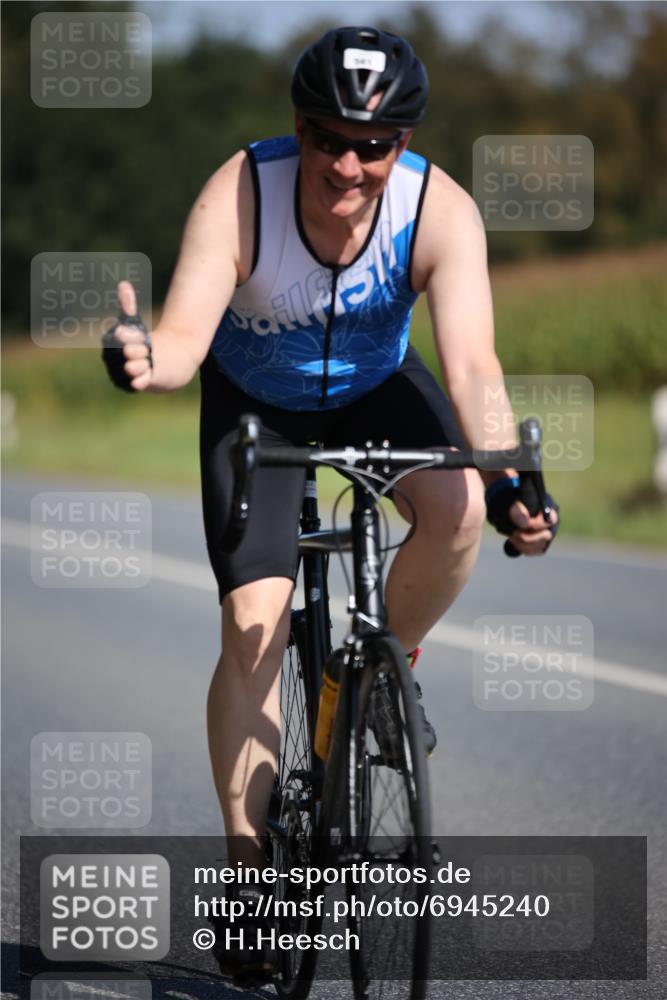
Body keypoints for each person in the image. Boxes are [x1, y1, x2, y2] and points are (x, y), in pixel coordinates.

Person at [102, 25, 559, 982]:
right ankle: (249, 864)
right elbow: (185, 336)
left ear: (402, 144)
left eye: (374, 144)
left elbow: (472, 364)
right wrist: (148, 361)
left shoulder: (440, 211)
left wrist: (514, 474)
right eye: (326, 137)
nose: (347, 164)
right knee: (253, 625)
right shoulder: (241, 194)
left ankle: (373, 679)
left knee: (462, 507)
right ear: (297, 130)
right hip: (254, 403)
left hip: (375, 384)